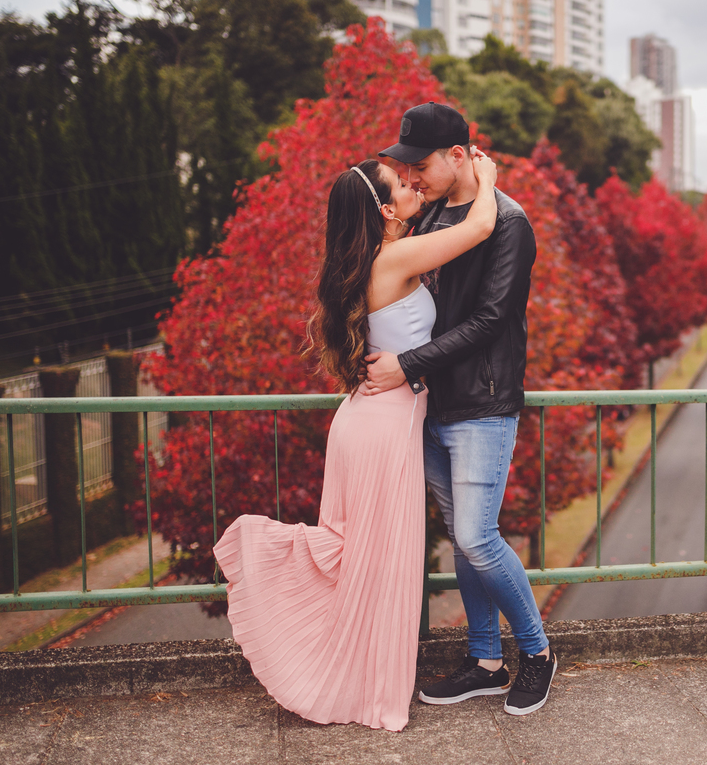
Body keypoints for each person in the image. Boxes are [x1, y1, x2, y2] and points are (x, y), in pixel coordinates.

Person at [213, 147, 500, 732]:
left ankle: (366, 680)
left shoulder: (372, 259)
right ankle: (362, 686)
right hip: (384, 428)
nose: (415, 185)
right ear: (386, 211)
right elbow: (483, 224)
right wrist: (485, 176)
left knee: (365, 557)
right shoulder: (394, 259)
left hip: (367, 422)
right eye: (403, 183)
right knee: (379, 560)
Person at [363, 101, 556, 717]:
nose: (412, 176)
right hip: (432, 405)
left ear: (457, 155)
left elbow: (490, 318)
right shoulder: (430, 218)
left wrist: (407, 366)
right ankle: (484, 663)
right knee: (463, 538)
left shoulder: (509, 222)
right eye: (405, 166)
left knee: (477, 534)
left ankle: (538, 653)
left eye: (419, 164)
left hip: (482, 402)